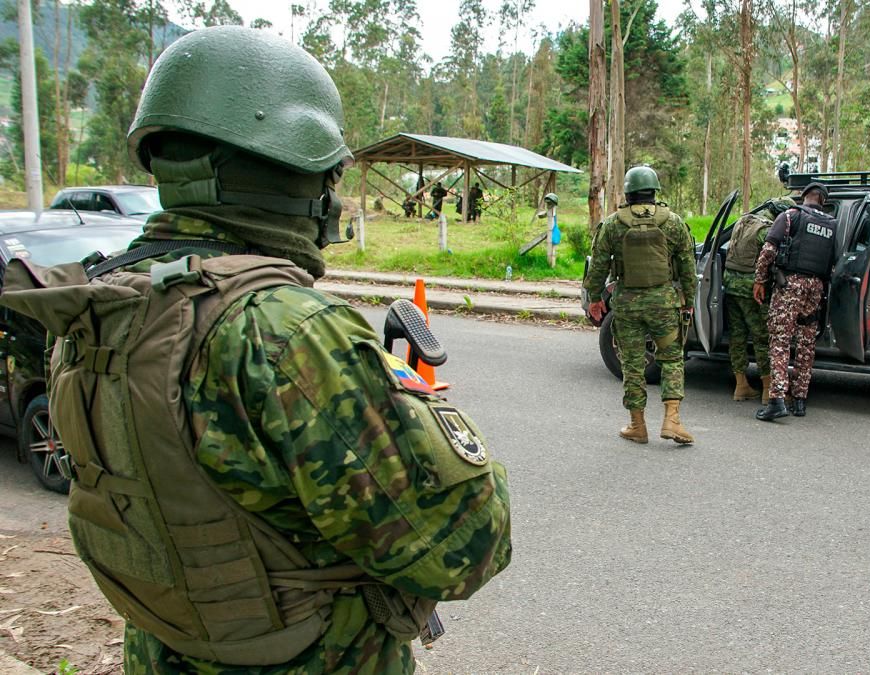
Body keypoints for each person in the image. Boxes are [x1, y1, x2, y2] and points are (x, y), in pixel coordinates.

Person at [0, 26, 511, 673]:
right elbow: (469, 542)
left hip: (167, 649)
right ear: (303, 178)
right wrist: (420, 412)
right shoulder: (288, 334)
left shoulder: (100, 306)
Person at [584, 165, 697, 445]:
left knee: (633, 365)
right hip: (663, 304)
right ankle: (672, 420)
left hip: (627, 305)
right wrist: (689, 303)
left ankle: (637, 426)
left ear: (628, 193)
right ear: (654, 191)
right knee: (671, 360)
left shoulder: (612, 224)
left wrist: (595, 299)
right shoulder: (673, 222)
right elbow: (687, 267)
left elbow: (597, 267)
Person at [753, 182, 838, 420]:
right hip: (816, 289)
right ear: (823, 200)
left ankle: (777, 400)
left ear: (804, 197)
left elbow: (768, 251)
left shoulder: (790, 216)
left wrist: (760, 280)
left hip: (789, 285)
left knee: (780, 342)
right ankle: (800, 400)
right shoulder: (832, 225)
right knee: (805, 345)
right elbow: (834, 261)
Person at [723, 197, 795, 403]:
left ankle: (741, 386)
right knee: (762, 338)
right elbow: (774, 258)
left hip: (730, 285)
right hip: (752, 291)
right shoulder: (768, 230)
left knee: (737, 336)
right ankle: (767, 390)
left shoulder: (743, 221)